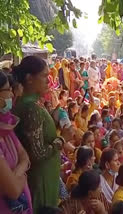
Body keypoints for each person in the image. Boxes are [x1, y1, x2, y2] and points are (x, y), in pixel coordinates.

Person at [13, 56, 73, 213]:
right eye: (44, 75)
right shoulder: (31, 110)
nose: (49, 80)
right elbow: (37, 154)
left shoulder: (28, 105)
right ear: (29, 79)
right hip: (41, 179)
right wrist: (63, 139)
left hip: (43, 176)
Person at [0, 71, 32, 213]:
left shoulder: (6, 127)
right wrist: (22, 174)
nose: (12, 95)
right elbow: (13, 190)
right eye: (7, 90)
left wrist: (15, 175)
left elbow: (24, 156)